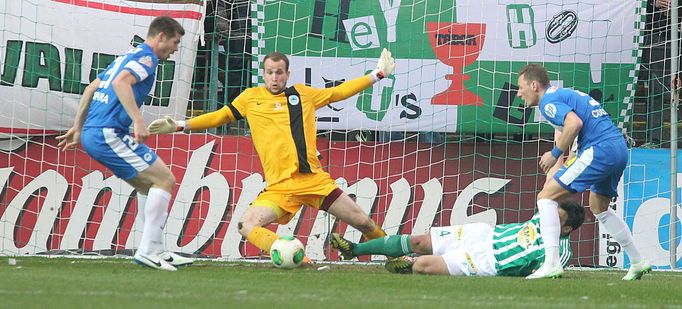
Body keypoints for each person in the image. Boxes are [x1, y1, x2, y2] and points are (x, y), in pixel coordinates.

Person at [147, 49, 396, 259]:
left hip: (313, 181)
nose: (274, 77)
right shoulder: (250, 98)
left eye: (279, 72)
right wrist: (182, 125)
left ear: (287, 74)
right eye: (270, 72)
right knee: (246, 224)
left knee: (363, 223)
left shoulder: (303, 95)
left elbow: (340, 92)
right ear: (263, 74)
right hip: (279, 187)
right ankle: (289, 253)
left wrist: (377, 74)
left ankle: (398, 257)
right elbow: (221, 116)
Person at [56, 16, 193, 271]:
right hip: (108, 133)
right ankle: (148, 251)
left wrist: (77, 126)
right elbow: (121, 83)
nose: (175, 49)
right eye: (174, 42)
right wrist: (138, 121)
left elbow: (90, 90)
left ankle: (157, 249)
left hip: (94, 133)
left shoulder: (126, 57)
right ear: (161, 36)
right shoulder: (147, 57)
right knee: (165, 180)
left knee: (147, 185)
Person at [516, 63, 651, 280]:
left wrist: (554, 153)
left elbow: (574, 124)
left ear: (534, 85)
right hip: (618, 148)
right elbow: (562, 130)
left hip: (599, 149)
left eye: (521, 87)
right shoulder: (561, 94)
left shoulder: (548, 102)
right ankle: (637, 260)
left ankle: (551, 263)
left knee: (545, 198)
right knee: (599, 207)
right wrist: (559, 161)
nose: (519, 93)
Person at [331, 200, 585, 277]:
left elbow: (550, 272)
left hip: (487, 263)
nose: (547, 220)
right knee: (419, 240)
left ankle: (408, 263)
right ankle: (355, 248)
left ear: (567, 229)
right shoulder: (543, 218)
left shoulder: (560, 251)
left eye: (556, 220)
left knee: (423, 266)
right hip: (483, 234)